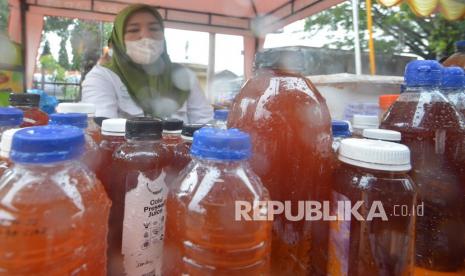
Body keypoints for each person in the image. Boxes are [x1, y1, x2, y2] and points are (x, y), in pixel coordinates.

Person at [82, 4, 213, 123]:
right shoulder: (102, 78)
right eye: (133, 30)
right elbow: (102, 132)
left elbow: (205, 125)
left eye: (154, 28)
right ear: (118, 39)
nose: (146, 36)